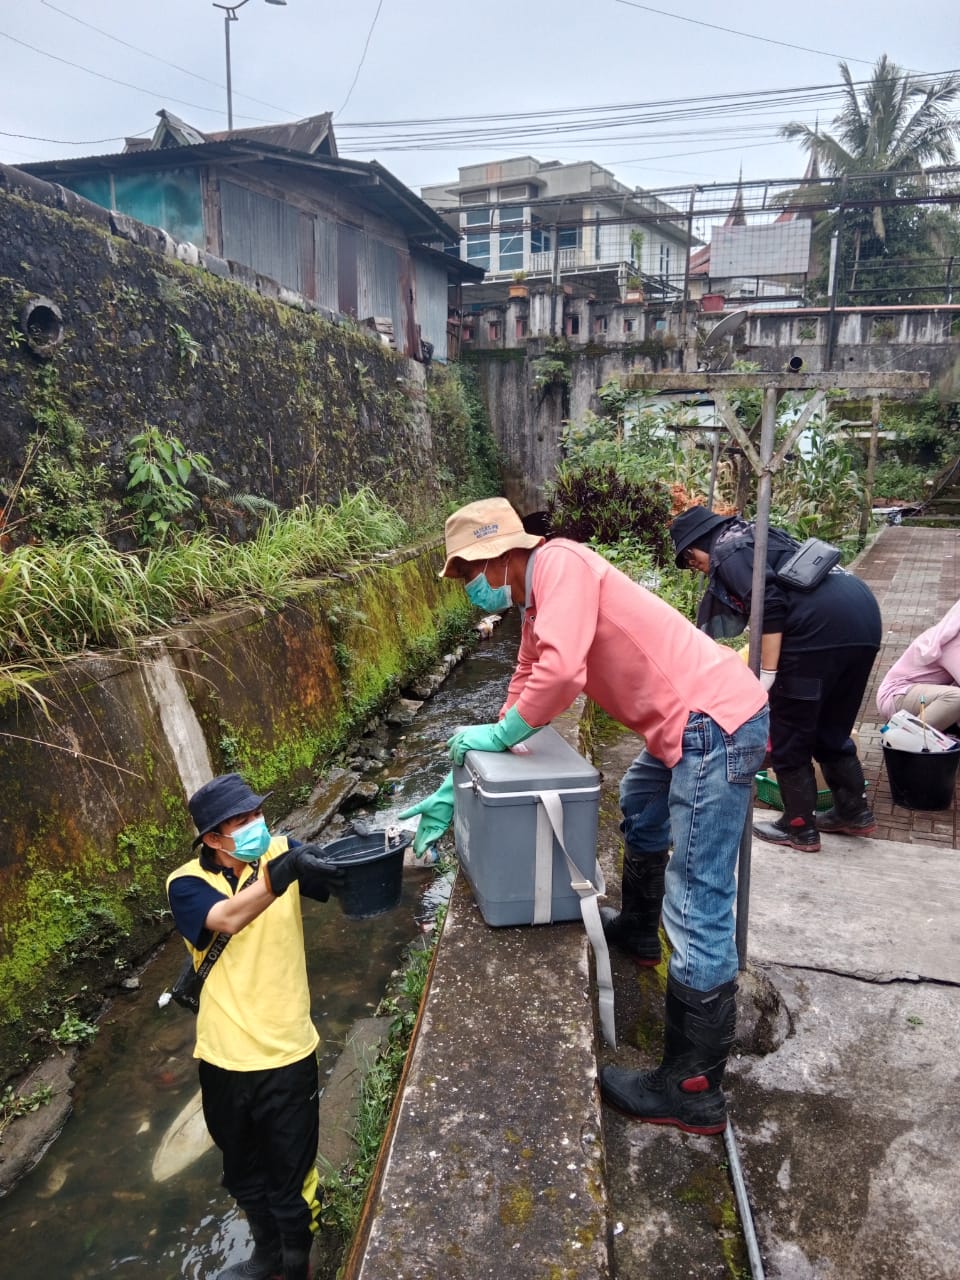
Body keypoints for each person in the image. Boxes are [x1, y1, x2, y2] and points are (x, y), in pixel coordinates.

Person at [401, 497, 769, 1135]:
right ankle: (636, 930)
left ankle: (691, 1087)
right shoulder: (539, 594)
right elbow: (529, 667)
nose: (469, 591)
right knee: (639, 805)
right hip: (682, 726)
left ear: (498, 557)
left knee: (701, 899)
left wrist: (508, 731)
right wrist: (496, 738)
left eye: (467, 576)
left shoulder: (562, 565)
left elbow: (564, 671)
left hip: (713, 723)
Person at [167, 773, 346, 1280]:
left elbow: (337, 871)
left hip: (289, 1055)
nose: (256, 827)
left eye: (256, 815)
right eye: (241, 822)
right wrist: (279, 873)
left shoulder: (284, 851)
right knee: (243, 1172)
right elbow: (224, 919)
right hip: (223, 1059)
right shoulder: (186, 883)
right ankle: (265, 1256)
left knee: (291, 1179)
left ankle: (296, 1266)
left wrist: (392, 846)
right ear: (212, 839)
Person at [670, 505, 882, 851]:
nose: (697, 568)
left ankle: (798, 827)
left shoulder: (728, 548)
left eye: (692, 559)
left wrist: (768, 673)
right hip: (862, 617)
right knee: (832, 729)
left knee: (790, 733)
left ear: (700, 542)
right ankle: (854, 812)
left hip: (816, 631)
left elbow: (768, 604)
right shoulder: (755, 536)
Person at [877, 600, 960, 731]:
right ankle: (906, 739)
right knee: (957, 698)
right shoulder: (953, 642)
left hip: (919, 695)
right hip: (896, 695)